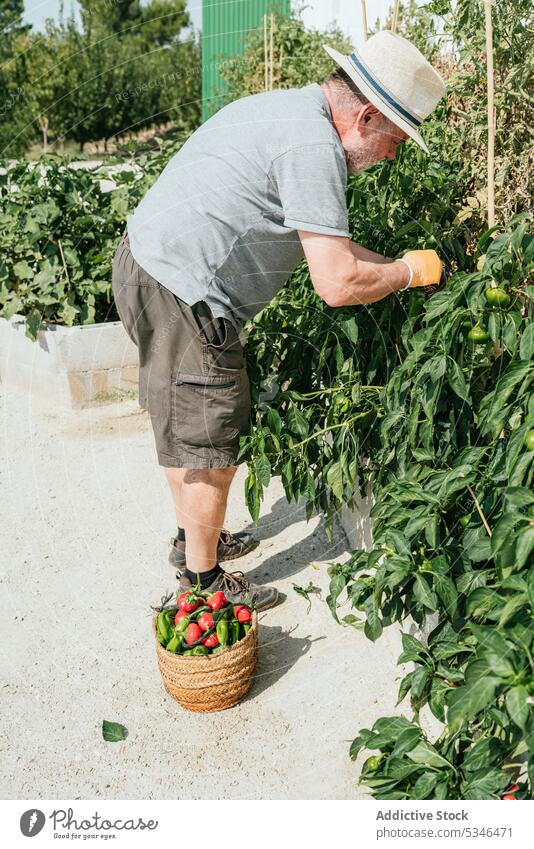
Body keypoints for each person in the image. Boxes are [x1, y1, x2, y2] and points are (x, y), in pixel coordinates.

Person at [111, 30, 446, 611]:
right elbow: (337, 282)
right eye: (395, 139)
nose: (391, 156)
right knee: (208, 438)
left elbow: (329, 248)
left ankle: (194, 541)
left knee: (183, 425)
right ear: (365, 117)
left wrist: (395, 265)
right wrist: (408, 275)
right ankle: (203, 586)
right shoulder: (314, 150)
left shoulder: (288, 110)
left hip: (146, 267)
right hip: (185, 295)